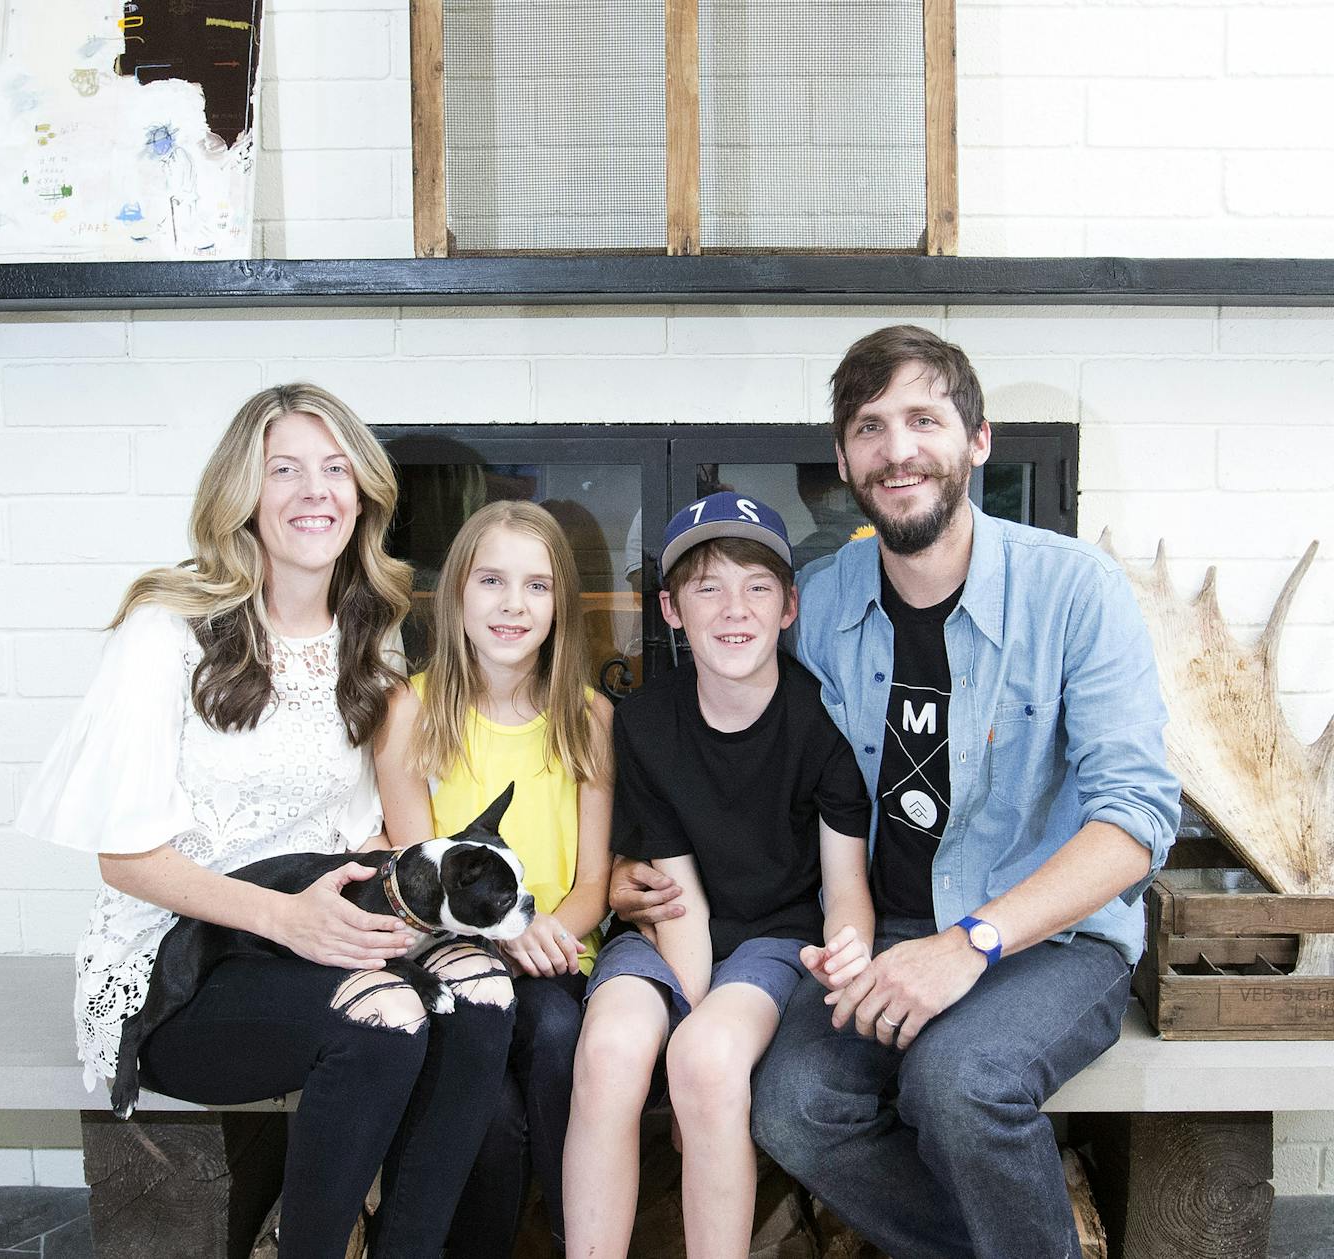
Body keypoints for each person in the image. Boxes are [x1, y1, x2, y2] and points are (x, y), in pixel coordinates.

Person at [618, 325, 1183, 1258]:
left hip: (1047, 937)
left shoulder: (1075, 592)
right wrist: (635, 863)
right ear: (845, 459)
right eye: (870, 427)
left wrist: (973, 941)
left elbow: (1136, 821)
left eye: (925, 418)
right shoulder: (824, 598)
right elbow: (742, 749)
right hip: (879, 934)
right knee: (793, 1105)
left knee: (958, 1080)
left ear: (978, 440)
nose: (898, 449)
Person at [15, 384, 515, 1259]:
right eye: (283, 469)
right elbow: (125, 859)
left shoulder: (374, 634)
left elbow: (398, 836)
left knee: (482, 989)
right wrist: (288, 916)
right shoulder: (168, 629)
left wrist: (422, 896)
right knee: (383, 1016)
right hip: (185, 959)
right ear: (242, 494)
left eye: (333, 469)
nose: (313, 491)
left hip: (320, 929)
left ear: (362, 493)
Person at [564, 492, 874, 1259]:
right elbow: (679, 906)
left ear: (790, 605)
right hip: (672, 927)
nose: (734, 609)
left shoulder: (823, 723)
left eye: (758, 586)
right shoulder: (645, 721)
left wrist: (851, 949)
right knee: (608, 1050)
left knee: (705, 1058)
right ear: (671, 609)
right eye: (707, 587)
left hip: (774, 939)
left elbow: (844, 890)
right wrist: (678, 1008)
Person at [374, 499, 614, 1258]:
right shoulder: (410, 710)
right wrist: (492, 943)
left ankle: (581, 1232)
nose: (514, 604)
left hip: (552, 960)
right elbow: (424, 884)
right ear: (456, 596)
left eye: (537, 586)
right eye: (493, 581)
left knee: (553, 1030)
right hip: (454, 964)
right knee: (492, 1114)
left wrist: (541, 936)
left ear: (561, 606)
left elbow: (593, 883)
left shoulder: (589, 718)